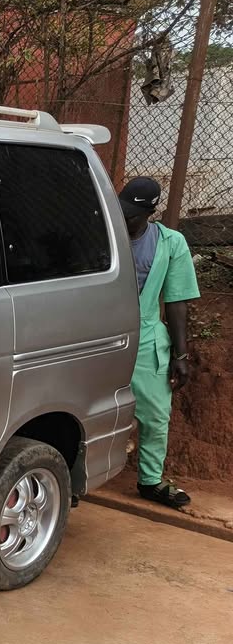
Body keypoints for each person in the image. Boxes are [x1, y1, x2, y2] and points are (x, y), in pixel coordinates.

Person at [119, 176, 201, 509]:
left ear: (151, 212)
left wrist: (180, 354)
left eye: (131, 216)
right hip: (98, 333)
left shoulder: (171, 243)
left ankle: (151, 481)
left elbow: (177, 301)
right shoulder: (106, 233)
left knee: (155, 414)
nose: (124, 219)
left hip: (146, 338)